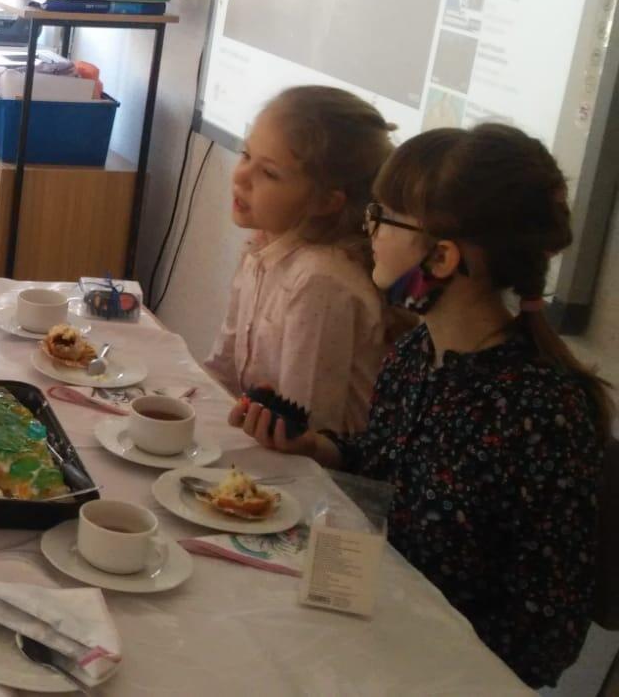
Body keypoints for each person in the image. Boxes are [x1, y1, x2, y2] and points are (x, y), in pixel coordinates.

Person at [230, 124, 608, 687]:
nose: (369, 230)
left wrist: (414, 645)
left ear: (442, 257)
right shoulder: (415, 353)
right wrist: (319, 448)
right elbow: (387, 466)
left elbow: (546, 634)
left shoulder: (539, 410)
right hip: (370, 628)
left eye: (383, 217)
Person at [204, 86, 393, 433]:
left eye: (269, 173)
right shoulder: (260, 248)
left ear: (325, 202)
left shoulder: (320, 280)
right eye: (246, 155)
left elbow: (302, 430)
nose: (241, 176)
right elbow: (222, 374)